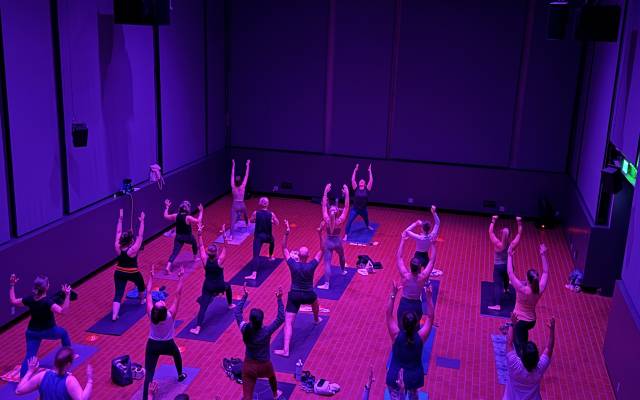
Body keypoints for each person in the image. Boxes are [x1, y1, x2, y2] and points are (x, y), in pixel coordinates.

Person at [274, 219, 323, 357]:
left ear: (298, 256)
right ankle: (316, 318)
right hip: (308, 294)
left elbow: (284, 248)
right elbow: (322, 250)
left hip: (294, 295)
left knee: (288, 323)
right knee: (315, 300)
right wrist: (320, 234)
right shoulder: (312, 265)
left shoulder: (293, 265)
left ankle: (285, 350)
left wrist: (286, 233)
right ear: (307, 256)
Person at [9, 274, 72, 378]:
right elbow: (63, 311)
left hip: (32, 332)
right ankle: (68, 356)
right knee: (63, 333)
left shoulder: (30, 299)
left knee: (30, 356)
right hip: (49, 331)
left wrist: (12, 284)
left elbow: (13, 301)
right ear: (47, 287)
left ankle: (23, 379)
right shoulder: (47, 302)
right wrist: (67, 295)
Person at [142, 267, 187, 400]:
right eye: (160, 303)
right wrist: (181, 277)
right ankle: (180, 375)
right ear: (163, 310)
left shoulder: (151, 314)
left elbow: (148, 292)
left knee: (149, 372)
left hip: (152, 345)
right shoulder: (170, 315)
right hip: (167, 344)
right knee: (177, 354)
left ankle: (146, 397)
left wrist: (151, 277)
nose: (160, 301)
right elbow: (178, 294)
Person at [386, 281, 435, 400]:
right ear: (417, 324)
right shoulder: (421, 337)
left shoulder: (396, 335)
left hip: (396, 376)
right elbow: (430, 317)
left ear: (402, 323)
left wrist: (393, 294)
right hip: (414, 377)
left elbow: (388, 314)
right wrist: (428, 297)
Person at [235, 284, 284, 400]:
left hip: (249, 367)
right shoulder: (266, 331)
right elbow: (281, 318)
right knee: (272, 377)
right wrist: (279, 299)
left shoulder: (245, 329)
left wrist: (244, 296)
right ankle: (275, 395)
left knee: (247, 397)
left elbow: (237, 313)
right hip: (264, 366)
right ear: (262, 320)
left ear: (250, 320)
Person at [189, 222, 235, 335]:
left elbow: (200, 246)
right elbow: (226, 247)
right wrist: (224, 235)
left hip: (208, 286)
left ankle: (198, 328)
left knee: (203, 307)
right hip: (219, 285)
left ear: (209, 253)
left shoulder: (204, 260)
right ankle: (230, 304)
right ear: (216, 253)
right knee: (228, 286)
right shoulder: (219, 261)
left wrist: (199, 234)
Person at [508, 243, 550, 355]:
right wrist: (543, 254)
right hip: (531, 321)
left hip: (520, 321)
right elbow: (545, 272)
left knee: (519, 345)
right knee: (523, 336)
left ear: (527, 279)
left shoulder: (522, 289)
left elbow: (510, 273)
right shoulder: (539, 289)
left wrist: (509, 256)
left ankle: (523, 361)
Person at [503, 315, 555, 400]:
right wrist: (552, 330)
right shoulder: (540, 368)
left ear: (522, 355)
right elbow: (549, 348)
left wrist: (512, 324)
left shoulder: (514, 365)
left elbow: (509, 342)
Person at [15, 348, 93, 399]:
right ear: (68, 364)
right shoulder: (70, 380)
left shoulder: (42, 375)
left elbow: (18, 391)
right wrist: (90, 380)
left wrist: (30, 371)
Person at [395, 232, 436, 326]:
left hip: (404, 303)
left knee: (401, 327)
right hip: (416, 304)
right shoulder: (423, 277)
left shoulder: (405, 275)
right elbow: (432, 260)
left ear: (410, 266)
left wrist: (402, 240)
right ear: (420, 268)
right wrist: (433, 245)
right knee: (415, 327)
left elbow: (399, 257)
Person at [113, 209, 146, 320]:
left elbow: (118, 232)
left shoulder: (117, 246)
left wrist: (120, 219)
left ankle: (114, 315)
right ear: (131, 241)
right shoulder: (133, 249)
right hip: (132, 272)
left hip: (119, 272)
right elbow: (140, 235)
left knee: (118, 293)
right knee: (141, 285)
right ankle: (142, 300)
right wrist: (142, 221)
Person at [318, 183, 350, 290]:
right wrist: (347, 193)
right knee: (341, 255)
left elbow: (323, 205)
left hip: (328, 243)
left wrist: (325, 191)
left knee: (327, 263)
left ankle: (326, 284)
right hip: (338, 242)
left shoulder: (326, 219)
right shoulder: (340, 220)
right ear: (337, 212)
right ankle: (343, 270)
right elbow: (346, 206)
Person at [487, 215, 523, 311]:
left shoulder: (498, 244)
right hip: (508, 266)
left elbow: (490, 232)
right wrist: (519, 222)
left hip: (498, 267)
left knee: (498, 285)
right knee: (507, 277)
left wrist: (493, 220)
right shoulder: (512, 245)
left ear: (502, 234)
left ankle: (498, 305)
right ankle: (506, 289)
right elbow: (519, 234)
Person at [163, 200, 204, 274]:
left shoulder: (176, 215)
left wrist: (167, 207)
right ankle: (195, 258)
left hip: (178, 237)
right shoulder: (188, 217)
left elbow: (165, 216)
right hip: (188, 237)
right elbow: (198, 221)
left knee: (174, 252)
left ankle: (167, 267)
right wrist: (201, 211)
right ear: (187, 208)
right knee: (194, 243)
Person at [246, 197, 280, 280]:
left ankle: (254, 274)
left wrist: (256, 220)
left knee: (256, 256)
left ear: (260, 204)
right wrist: (271, 221)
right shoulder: (271, 214)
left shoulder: (255, 213)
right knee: (272, 241)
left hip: (258, 237)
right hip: (268, 236)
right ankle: (271, 256)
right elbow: (277, 223)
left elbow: (251, 221)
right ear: (267, 204)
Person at [344, 163, 373, 240]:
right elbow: (352, 179)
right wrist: (355, 170)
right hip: (355, 209)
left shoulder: (367, 189)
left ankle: (367, 226)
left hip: (363, 209)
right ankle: (346, 235)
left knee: (366, 219)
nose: (361, 181)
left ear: (365, 184)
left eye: (363, 181)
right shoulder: (356, 188)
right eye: (360, 181)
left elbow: (371, 180)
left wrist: (370, 171)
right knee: (349, 221)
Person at [230, 159, 251, 240]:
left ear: (235, 181)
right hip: (242, 204)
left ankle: (231, 235)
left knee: (232, 221)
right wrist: (248, 164)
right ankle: (247, 224)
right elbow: (246, 175)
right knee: (245, 215)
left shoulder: (233, 186)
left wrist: (233, 164)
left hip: (235, 205)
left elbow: (232, 174)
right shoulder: (243, 186)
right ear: (240, 181)